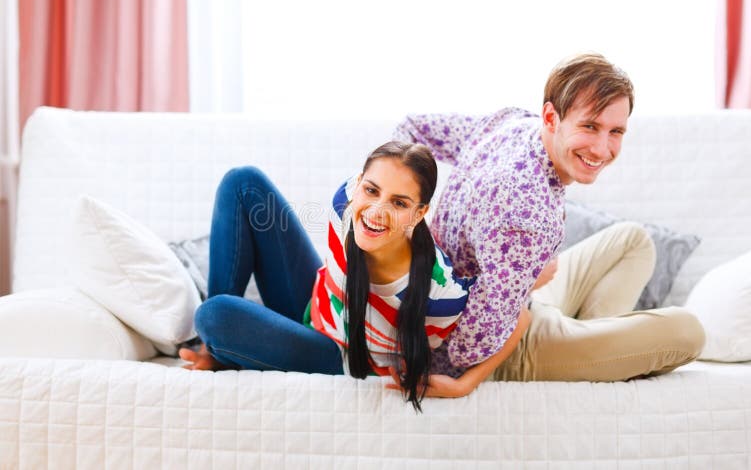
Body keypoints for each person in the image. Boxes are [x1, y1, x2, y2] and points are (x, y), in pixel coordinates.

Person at [391, 53, 705, 389]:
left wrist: (405, 224)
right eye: (589, 126)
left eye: (615, 131)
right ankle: (581, 347)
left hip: (519, 299)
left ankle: (583, 340)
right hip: (506, 345)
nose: (601, 149)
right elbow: (469, 348)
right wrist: (526, 283)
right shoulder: (528, 213)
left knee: (634, 240)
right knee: (688, 332)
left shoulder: (511, 125)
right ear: (551, 117)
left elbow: (411, 129)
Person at [179, 142, 530, 410]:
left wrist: (463, 385)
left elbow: (520, 314)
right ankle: (217, 351)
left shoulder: (440, 296)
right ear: (359, 183)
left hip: (340, 357)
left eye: (399, 203)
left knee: (215, 315)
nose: (376, 212)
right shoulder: (345, 201)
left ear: (419, 214)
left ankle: (222, 345)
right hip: (311, 305)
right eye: (372, 190)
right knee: (243, 183)